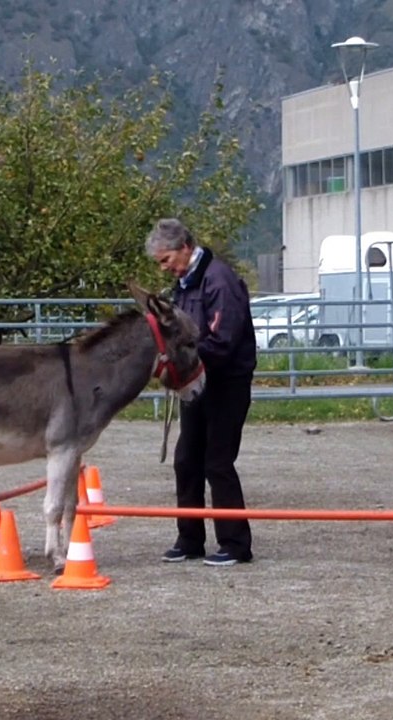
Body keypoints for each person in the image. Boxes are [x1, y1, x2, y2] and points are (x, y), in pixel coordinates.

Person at [145, 218, 256, 566]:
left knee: (218, 462)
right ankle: (189, 538)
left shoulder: (219, 280)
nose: (165, 269)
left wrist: (183, 357)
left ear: (184, 248)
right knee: (186, 460)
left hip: (226, 382)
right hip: (196, 381)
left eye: (166, 261)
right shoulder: (185, 283)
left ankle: (236, 544)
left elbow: (223, 339)